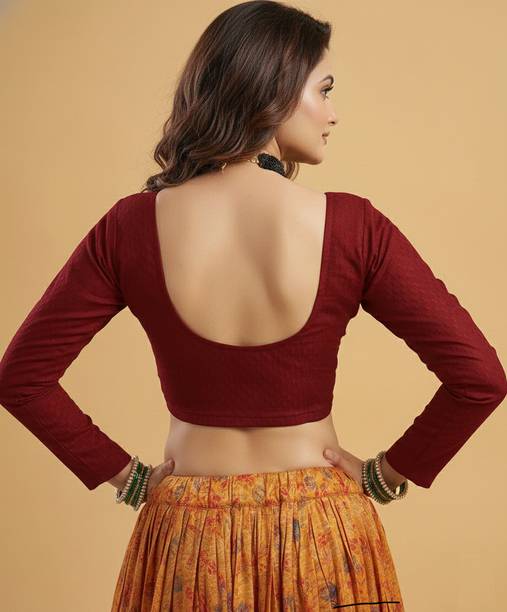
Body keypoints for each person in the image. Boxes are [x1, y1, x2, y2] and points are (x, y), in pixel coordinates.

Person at [1, 2, 505, 610]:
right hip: (324, 532)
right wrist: (387, 474)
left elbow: (21, 379)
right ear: (274, 90)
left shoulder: (130, 227)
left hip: (187, 538)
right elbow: (480, 378)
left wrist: (127, 479)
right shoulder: (353, 227)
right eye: (324, 90)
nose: (333, 113)